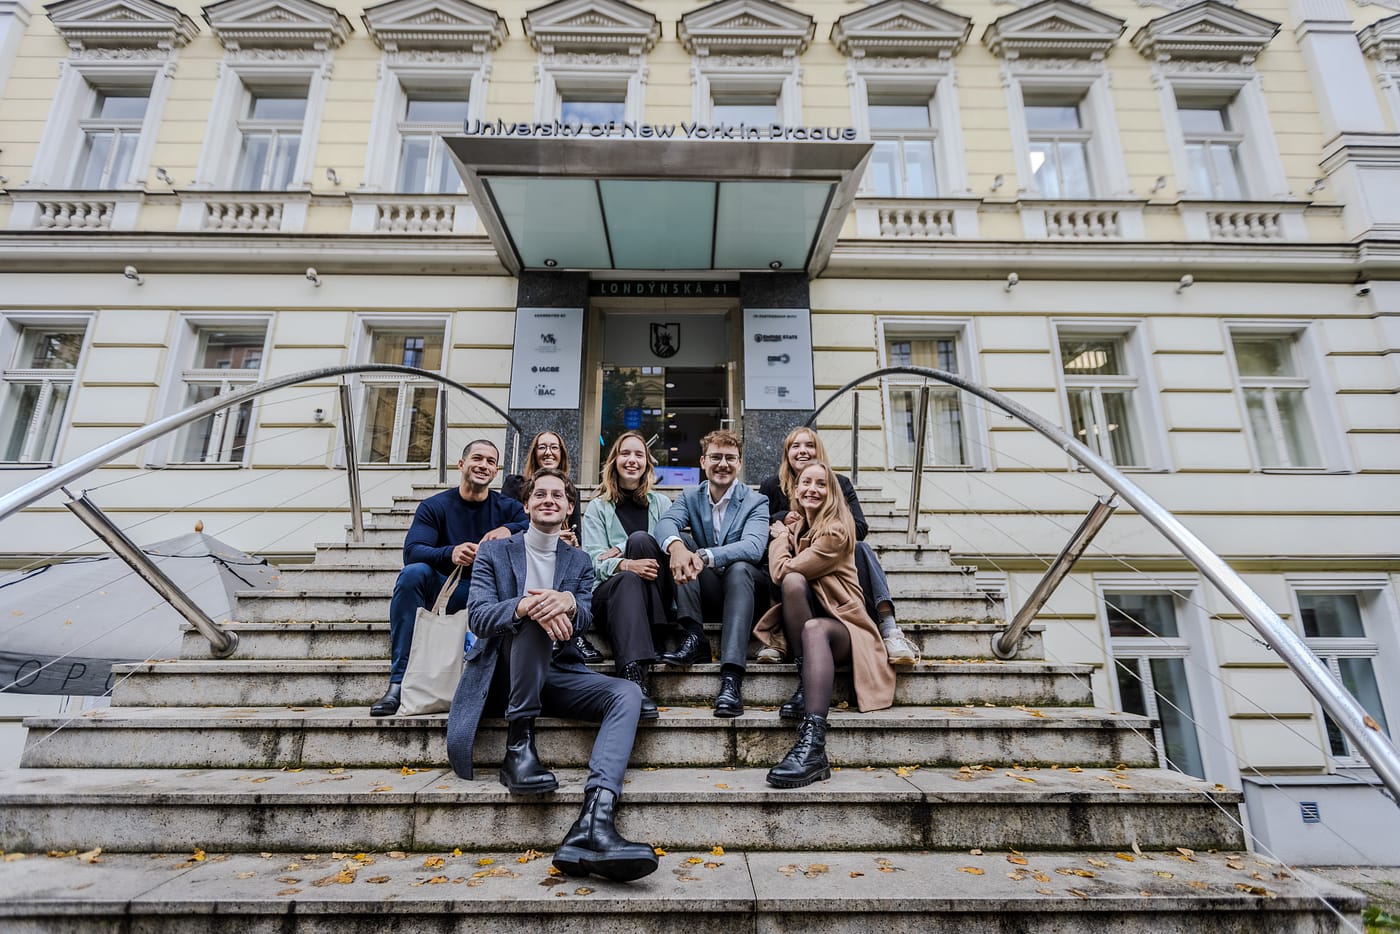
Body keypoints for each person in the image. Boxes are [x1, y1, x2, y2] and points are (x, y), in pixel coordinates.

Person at [445, 468, 658, 882]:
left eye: (557, 495)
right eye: (539, 494)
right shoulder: (495, 552)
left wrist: (567, 603)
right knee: (531, 616)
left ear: (568, 507)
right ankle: (518, 748)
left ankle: (594, 820)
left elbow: (585, 613)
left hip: (558, 670)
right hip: (503, 674)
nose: (548, 500)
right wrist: (526, 607)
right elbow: (479, 616)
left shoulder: (577, 560)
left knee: (627, 694)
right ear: (526, 506)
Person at [755, 461, 896, 789]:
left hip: (846, 628)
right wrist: (784, 534)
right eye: (806, 483)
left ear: (832, 492)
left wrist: (776, 539)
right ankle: (807, 679)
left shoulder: (835, 529)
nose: (812, 489)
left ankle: (813, 744)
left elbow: (781, 570)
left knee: (804, 606)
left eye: (821, 484)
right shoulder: (800, 525)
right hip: (813, 623)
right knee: (796, 594)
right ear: (795, 489)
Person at [370, 439, 527, 717]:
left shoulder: (509, 509)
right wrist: (450, 553)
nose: (483, 465)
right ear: (462, 464)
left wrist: (509, 530)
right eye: (477, 458)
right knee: (412, 574)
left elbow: (533, 528)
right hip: (448, 589)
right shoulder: (435, 506)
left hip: (492, 595)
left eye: (491, 462)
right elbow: (413, 551)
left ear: (495, 472)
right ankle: (398, 683)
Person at [757, 427, 920, 665]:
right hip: (787, 555)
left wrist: (824, 526)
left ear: (819, 451)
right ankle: (777, 634)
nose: (803, 451)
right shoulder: (772, 485)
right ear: (786, 453)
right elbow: (760, 523)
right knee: (774, 561)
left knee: (862, 549)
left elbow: (860, 528)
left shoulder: (839, 483)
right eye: (795, 446)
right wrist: (784, 517)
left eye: (809, 445)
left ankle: (889, 628)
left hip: (826, 557)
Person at [653, 429, 769, 717]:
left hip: (746, 592)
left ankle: (731, 678)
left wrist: (707, 555)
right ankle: (694, 636)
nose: (723, 464)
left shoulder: (756, 502)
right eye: (716, 457)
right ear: (703, 462)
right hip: (707, 589)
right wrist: (678, 548)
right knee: (681, 543)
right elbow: (664, 524)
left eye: (730, 458)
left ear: (740, 464)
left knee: (740, 567)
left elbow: (754, 547)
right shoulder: (690, 496)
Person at [581, 431, 675, 720]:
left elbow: (670, 543)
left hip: (655, 594)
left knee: (640, 540)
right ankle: (633, 674)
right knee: (628, 578)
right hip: (611, 595)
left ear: (647, 463)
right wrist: (624, 565)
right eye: (625, 454)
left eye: (639, 455)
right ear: (614, 461)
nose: (632, 460)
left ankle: (655, 634)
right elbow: (592, 560)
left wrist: (621, 550)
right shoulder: (598, 507)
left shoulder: (662, 504)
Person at [502, 429, 596, 660]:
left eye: (554, 447)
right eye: (542, 447)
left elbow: (577, 540)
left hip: (558, 560)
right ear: (534, 453)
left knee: (573, 562)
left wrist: (571, 543)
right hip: (523, 557)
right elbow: (505, 529)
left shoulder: (569, 491)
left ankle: (573, 633)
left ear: (562, 454)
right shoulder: (515, 485)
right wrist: (544, 538)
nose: (548, 452)